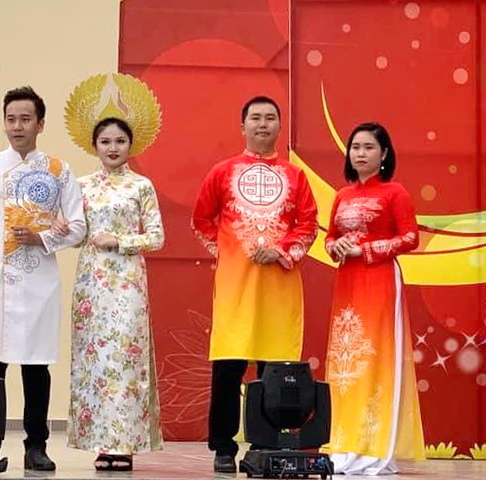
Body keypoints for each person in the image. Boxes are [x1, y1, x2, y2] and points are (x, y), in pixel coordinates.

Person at [0, 86, 86, 470]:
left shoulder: (59, 171)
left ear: (40, 124)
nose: (17, 126)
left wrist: (42, 238)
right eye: (11, 119)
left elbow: (78, 227)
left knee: (36, 366)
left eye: (26, 119)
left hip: (38, 282)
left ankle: (36, 446)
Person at [191, 95, 318, 473]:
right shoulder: (222, 172)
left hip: (280, 284)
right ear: (243, 126)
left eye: (270, 118)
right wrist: (228, 251)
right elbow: (201, 219)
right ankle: (223, 447)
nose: (263, 124)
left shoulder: (296, 176)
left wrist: (280, 251)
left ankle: (266, 442)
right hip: (236, 286)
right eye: (256, 118)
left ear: (280, 125)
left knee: (274, 368)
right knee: (228, 366)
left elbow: (308, 226)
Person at [323, 122, 425, 475]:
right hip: (347, 282)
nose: (360, 153)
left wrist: (364, 250)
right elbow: (330, 238)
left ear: (384, 154)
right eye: (355, 147)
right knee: (346, 362)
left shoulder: (395, 192)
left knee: (374, 357)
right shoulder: (341, 194)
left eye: (368, 147)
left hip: (380, 280)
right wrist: (336, 246)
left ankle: (373, 447)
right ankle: (344, 443)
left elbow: (410, 238)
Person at [65, 117, 165, 471]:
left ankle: (124, 444)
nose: (112, 148)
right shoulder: (81, 186)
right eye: (105, 141)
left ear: (130, 145)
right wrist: (62, 228)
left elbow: (156, 236)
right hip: (91, 283)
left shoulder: (141, 186)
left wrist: (120, 240)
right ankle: (100, 443)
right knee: (95, 362)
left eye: (120, 141)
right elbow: (76, 237)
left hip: (127, 282)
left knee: (125, 360)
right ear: (94, 146)